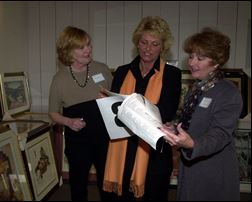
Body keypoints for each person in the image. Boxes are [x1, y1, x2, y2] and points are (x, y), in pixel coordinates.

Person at [103, 16, 181, 201]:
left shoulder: (172, 74)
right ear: (137, 43)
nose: (148, 49)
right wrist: (106, 103)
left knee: (154, 195)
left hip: (154, 150)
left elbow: (166, 111)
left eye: (155, 44)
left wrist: (129, 109)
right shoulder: (122, 71)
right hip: (123, 145)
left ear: (163, 47)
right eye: (144, 42)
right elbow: (115, 108)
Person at [161, 27, 243, 201]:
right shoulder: (196, 89)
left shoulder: (229, 93)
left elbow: (220, 134)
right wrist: (175, 128)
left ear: (216, 61)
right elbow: (192, 123)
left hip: (213, 171)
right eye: (191, 56)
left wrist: (192, 144)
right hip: (190, 168)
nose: (192, 62)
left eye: (200, 58)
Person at [48, 26, 113, 201]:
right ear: (68, 50)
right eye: (81, 47)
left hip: (104, 138)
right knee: (78, 187)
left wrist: (106, 99)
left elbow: (117, 102)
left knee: (108, 186)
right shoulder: (59, 79)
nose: (88, 49)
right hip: (77, 141)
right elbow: (53, 113)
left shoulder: (102, 69)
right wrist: (69, 122)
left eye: (89, 45)